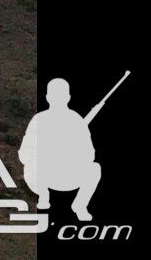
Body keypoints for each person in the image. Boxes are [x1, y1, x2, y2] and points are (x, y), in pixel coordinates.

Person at [21, 78, 103, 221]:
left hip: (67, 174)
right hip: (43, 174)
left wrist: (70, 153)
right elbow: (25, 152)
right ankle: (43, 195)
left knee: (94, 169)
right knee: (30, 167)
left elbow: (90, 154)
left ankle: (79, 205)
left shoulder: (76, 121)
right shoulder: (39, 120)